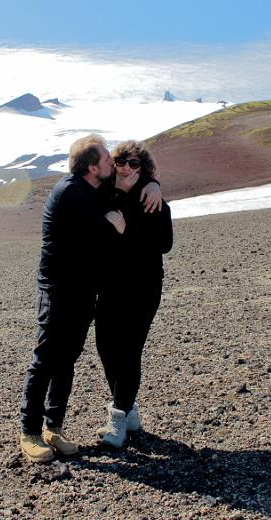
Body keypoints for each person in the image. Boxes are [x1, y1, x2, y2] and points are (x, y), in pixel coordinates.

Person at [19, 134, 161, 463]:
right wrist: (120, 218)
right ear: (93, 167)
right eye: (109, 161)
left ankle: (53, 427)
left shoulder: (92, 187)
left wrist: (153, 184)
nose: (114, 164)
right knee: (46, 360)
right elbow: (109, 233)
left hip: (83, 293)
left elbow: (130, 182)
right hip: (58, 292)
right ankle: (29, 432)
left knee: (66, 360)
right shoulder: (71, 193)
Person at [95, 140, 173, 448]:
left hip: (143, 286)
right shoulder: (105, 195)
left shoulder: (151, 198)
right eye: (120, 161)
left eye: (134, 163)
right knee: (105, 347)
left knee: (128, 351)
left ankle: (117, 422)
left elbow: (164, 243)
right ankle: (129, 413)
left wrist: (126, 230)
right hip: (110, 286)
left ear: (144, 167)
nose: (126, 167)